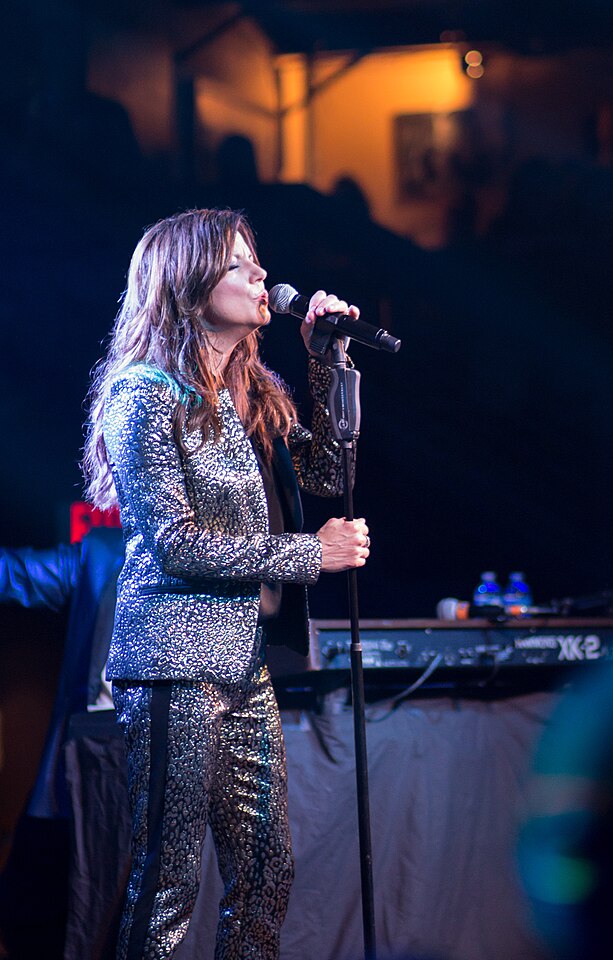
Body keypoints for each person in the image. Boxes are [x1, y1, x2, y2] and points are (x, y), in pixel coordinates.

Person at [82, 207, 370, 960]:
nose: (261, 277)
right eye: (240, 265)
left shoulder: (256, 390)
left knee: (268, 871)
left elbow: (333, 471)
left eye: (258, 263)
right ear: (187, 281)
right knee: (170, 880)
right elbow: (174, 543)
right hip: (175, 666)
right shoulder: (144, 394)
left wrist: (325, 360)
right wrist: (310, 555)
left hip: (243, 666)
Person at [0, 526, 124, 959]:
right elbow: (18, 574)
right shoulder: (104, 550)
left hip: (161, 748)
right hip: (82, 751)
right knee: (31, 894)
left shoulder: (214, 558)